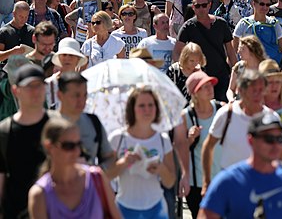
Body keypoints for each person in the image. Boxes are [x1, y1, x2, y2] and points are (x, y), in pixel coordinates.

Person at [199, 112, 282, 219]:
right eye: (268, 139)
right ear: (251, 140)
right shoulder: (228, 181)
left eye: (280, 139)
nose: (275, 145)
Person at [27, 117, 121, 219]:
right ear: (49, 147)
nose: (77, 151)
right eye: (69, 146)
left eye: (79, 145)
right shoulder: (40, 194)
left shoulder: (96, 178)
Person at [106, 86, 176, 219]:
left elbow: (170, 182)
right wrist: (124, 163)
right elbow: (106, 176)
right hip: (123, 208)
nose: (147, 110)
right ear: (132, 109)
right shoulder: (117, 138)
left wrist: (160, 169)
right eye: (141, 106)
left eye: (151, 105)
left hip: (156, 209)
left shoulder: (163, 139)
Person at [0, 65, 59, 219]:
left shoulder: (58, 126)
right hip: (15, 212)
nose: (35, 91)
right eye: (29, 86)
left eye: (39, 85)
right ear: (15, 90)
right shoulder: (5, 131)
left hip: (54, 210)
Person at [201, 69, 271, 190]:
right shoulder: (226, 114)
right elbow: (208, 146)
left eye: (261, 90)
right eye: (253, 90)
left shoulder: (271, 118)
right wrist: (207, 181)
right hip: (230, 184)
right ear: (241, 91)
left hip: (261, 184)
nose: (258, 95)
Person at [174, 0, 236, 101]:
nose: (201, 8)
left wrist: (235, 72)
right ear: (193, 7)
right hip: (200, 78)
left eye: (204, 5)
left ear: (209, 5)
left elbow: (230, 51)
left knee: (223, 109)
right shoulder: (188, 26)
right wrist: (185, 73)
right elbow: (177, 52)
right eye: (197, 6)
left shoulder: (221, 23)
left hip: (221, 75)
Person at [177, 71, 223, 219]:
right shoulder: (186, 116)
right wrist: (189, 138)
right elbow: (179, 147)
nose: (211, 88)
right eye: (205, 86)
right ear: (195, 93)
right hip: (196, 183)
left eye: (211, 85)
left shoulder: (222, 109)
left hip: (221, 178)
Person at [56, 72, 115, 170]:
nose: (81, 100)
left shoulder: (93, 122)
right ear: (60, 95)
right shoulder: (48, 123)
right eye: (76, 95)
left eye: (85, 95)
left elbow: (109, 157)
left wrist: (96, 173)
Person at [234, 0, 282, 71]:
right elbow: (234, 49)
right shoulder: (243, 23)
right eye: (262, 4)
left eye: (268, 5)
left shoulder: (274, 23)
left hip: (270, 70)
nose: (265, 7)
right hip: (248, 71)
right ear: (254, 3)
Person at [227, 35, 266, 101]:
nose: (238, 52)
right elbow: (231, 89)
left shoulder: (265, 66)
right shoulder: (239, 67)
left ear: (251, 50)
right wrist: (231, 99)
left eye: (242, 49)